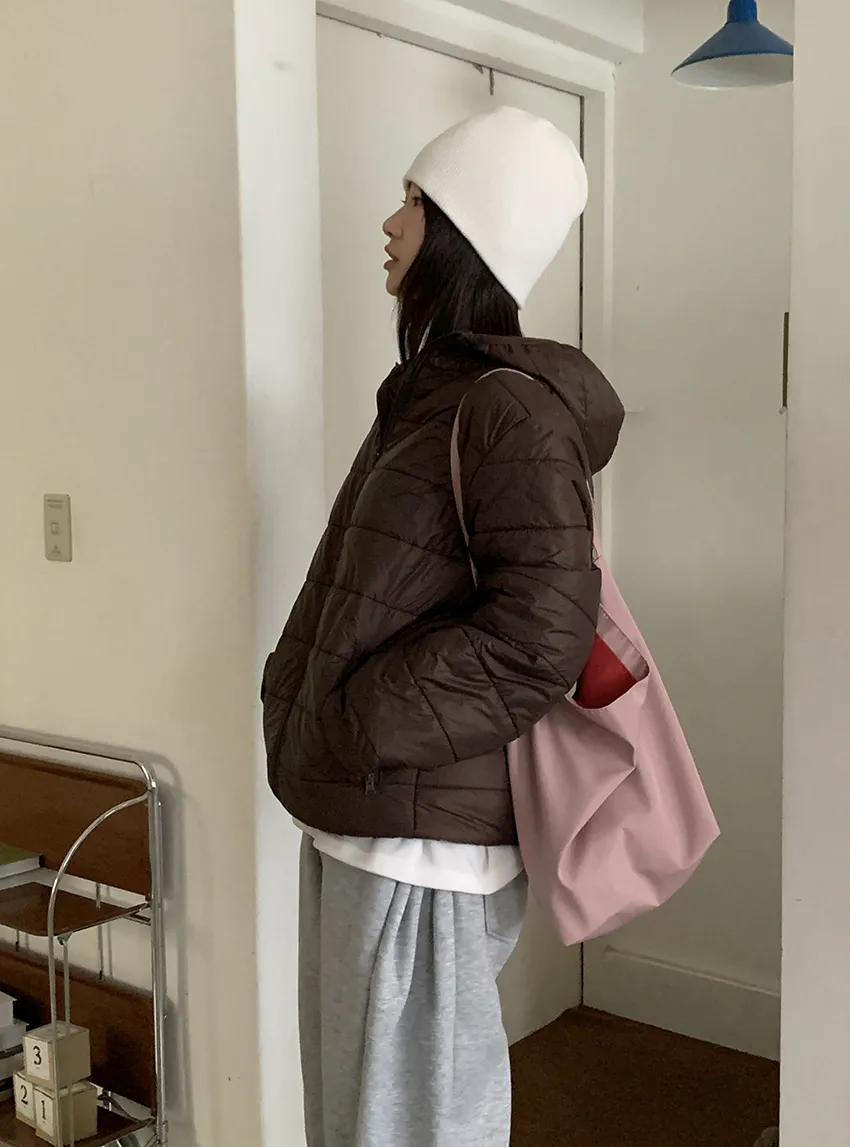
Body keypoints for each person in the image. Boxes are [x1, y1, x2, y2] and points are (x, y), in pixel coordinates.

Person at [262, 105, 625, 1147]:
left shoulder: (507, 410)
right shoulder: (434, 395)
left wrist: (363, 717)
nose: (390, 223)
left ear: (469, 227)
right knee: (356, 1121)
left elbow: (541, 633)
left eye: (414, 201)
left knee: (412, 1128)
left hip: (421, 844)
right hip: (365, 814)